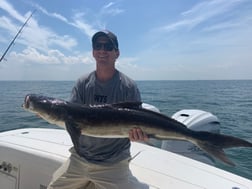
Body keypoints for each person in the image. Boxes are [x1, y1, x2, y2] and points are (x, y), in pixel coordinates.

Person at [47, 30, 149, 189]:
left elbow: (139, 121)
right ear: (93, 52)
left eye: (108, 46)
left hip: (113, 162)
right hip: (80, 158)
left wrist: (139, 135)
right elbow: (72, 117)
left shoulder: (128, 87)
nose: (102, 50)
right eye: (98, 46)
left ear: (117, 53)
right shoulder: (82, 83)